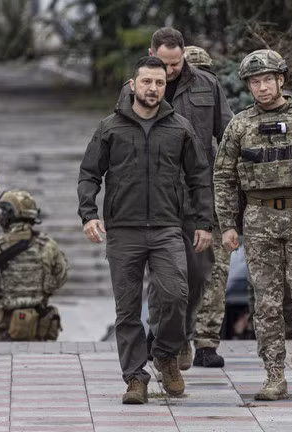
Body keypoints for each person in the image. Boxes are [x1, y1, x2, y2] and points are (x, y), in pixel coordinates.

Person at [79, 56, 213, 404]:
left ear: (164, 87)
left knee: (175, 295)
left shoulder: (179, 128)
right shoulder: (110, 127)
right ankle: (135, 378)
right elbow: (89, 174)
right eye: (146, 82)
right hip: (123, 231)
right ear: (133, 84)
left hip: (168, 227)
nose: (152, 88)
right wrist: (89, 214)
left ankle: (166, 354)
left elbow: (199, 178)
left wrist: (204, 221)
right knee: (127, 310)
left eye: (159, 83)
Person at [214, 49, 292, 400]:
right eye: (255, 82)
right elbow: (224, 176)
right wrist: (227, 223)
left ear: (280, 80)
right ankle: (273, 372)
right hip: (259, 218)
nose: (261, 87)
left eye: (267, 80)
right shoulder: (240, 124)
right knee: (267, 302)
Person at [118, 28, 233, 370]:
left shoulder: (207, 85)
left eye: (176, 63)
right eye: (163, 63)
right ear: (151, 52)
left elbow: (226, 137)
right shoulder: (135, 89)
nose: (169, 72)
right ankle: (166, 343)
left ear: (184, 54)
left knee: (198, 274)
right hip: (156, 198)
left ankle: (181, 334)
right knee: (162, 278)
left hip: (197, 194)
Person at [0, 189, 68, 341]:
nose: (0, 216)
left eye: (3, 212)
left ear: (10, 215)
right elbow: (59, 279)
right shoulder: (49, 247)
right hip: (37, 329)